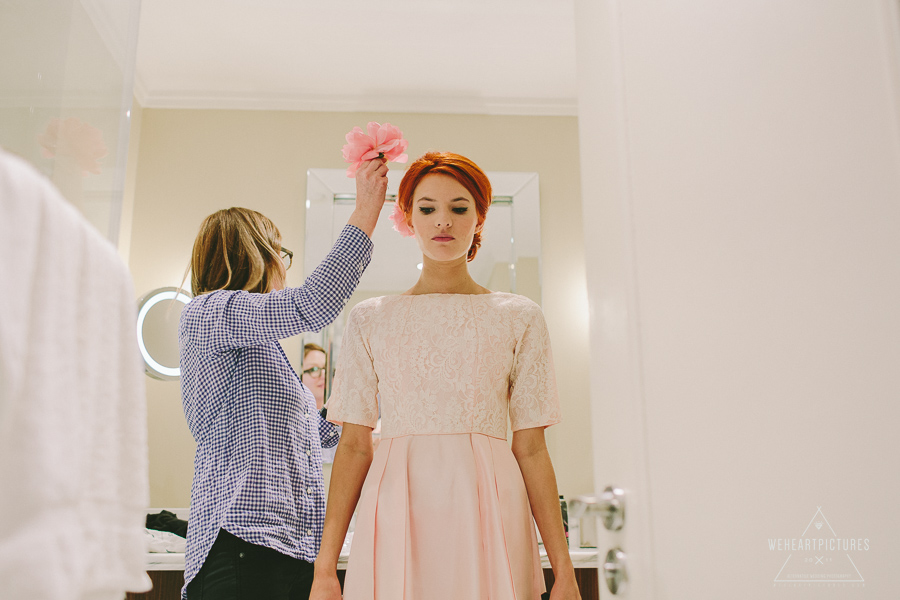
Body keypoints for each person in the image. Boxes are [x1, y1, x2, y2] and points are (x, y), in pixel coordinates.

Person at [310, 152, 580, 600]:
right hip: (397, 503)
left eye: (459, 208)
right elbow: (354, 446)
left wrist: (564, 570)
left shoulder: (519, 317)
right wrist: (325, 568)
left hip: (491, 503)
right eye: (427, 208)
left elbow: (531, 450)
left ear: (479, 218)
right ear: (408, 218)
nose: (443, 222)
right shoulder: (370, 319)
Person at [178, 158, 388, 600]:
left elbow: (322, 434)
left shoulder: (265, 352)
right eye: (281, 253)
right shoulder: (210, 314)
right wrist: (366, 211)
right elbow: (313, 305)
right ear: (255, 255)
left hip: (288, 552)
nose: (284, 266)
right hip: (241, 547)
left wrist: (386, 382)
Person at [302, 343, 339, 463]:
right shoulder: (293, 422)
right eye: (314, 369)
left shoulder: (340, 420)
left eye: (326, 369)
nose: (323, 375)